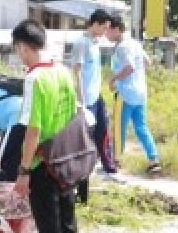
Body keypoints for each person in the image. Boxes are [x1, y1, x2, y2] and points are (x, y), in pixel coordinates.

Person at [10, 19, 86, 233]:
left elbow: (33, 130)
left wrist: (23, 170)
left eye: (18, 49)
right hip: (67, 157)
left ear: (23, 47)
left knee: (48, 224)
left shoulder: (34, 78)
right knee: (68, 218)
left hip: (44, 161)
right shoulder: (62, 72)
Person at [107, 16, 163, 174]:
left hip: (126, 93)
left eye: (108, 31)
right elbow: (147, 62)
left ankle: (116, 161)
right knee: (141, 127)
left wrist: (114, 78)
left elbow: (130, 67)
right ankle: (153, 159)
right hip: (140, 93)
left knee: (119, 128)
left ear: (117, 29)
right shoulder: (135, 43)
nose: (107, 34)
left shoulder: (122, 47)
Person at [70, 10, 119, 178]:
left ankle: (109, 166)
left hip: (96, 95)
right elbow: (76, 73)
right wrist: (81, 101)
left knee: (103, 130)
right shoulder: (81, 43)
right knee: (86, 135)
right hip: (85, 98)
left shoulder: (95, 43)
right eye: (104, 28)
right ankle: (84, 169)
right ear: (95, 24)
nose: (105, 32)